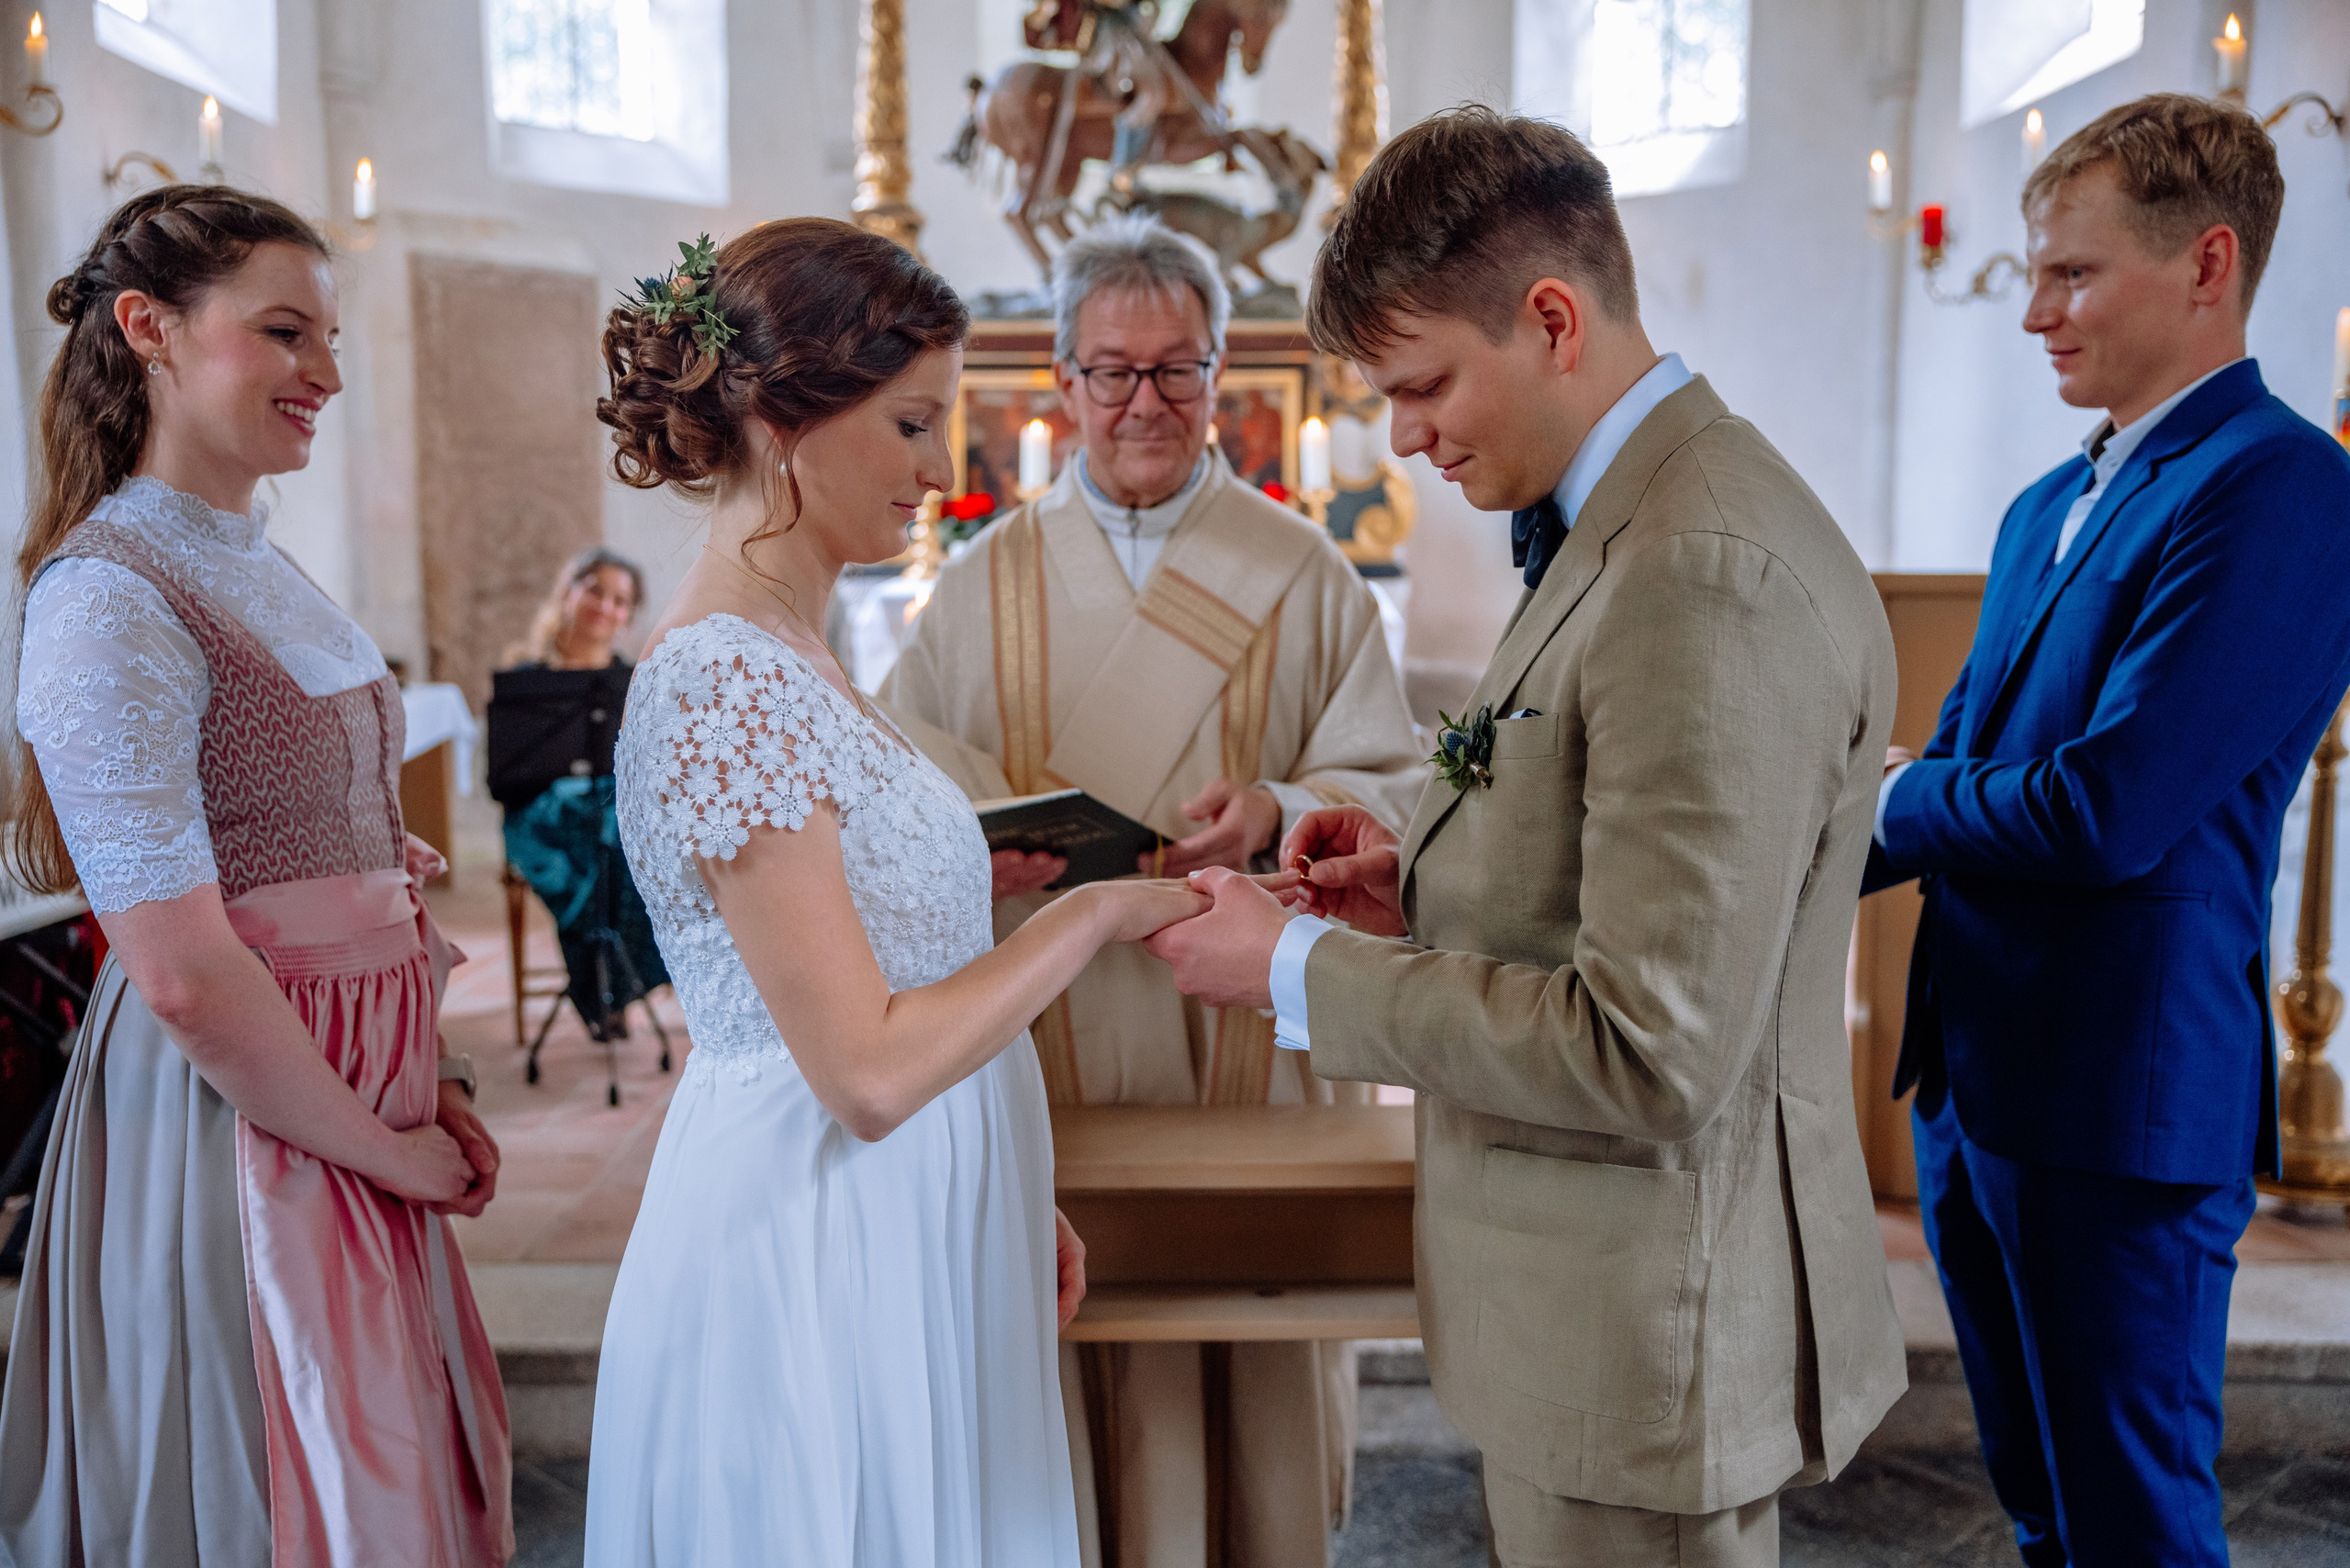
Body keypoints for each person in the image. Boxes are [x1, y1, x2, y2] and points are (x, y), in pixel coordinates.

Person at [1146, 107, 1907, 1566]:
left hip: (1646, 1342)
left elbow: (1651, 1050)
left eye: (1424, 384)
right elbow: (1603, 847)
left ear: (1553, 320)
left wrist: (1296, 970)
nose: (1404, 435)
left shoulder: (1703, 568)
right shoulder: (1630, 517)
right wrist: (1425, 884)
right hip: (1590, 1320)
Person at [580, 218, 1208, 1566]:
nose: (940, 469)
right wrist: (1090, 914)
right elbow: (862, 1071)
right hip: (814, 1243)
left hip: (914, 1211)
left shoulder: (793, 647)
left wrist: (1001, 1183)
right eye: (913, 424)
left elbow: (885, 968)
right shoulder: (723, 676)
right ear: (781, 417)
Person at [880, 214, 1424, 1568]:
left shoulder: (1302, 571)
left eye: (1177, 370)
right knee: (1068, 1334)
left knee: (1239, 1334)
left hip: (1245, 1045)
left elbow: (1393, 778)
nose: (1144, 402)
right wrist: (977, 845)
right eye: (1113, 372)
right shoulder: (980, 583)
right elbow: (893, 782)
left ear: (1219, 375)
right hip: (1051, 1034)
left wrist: (1281, 806)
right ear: (1062, 383)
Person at [1863, 95, 2350, 1566]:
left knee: (2136, 1532)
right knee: (2037, 1510)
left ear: (2208, 264)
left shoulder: (2285, 487)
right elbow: (1956, 767)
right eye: (2035, 274)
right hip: (1975, 1087)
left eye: (2071, 275)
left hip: (2120, 1109)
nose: (2035, 315)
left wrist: (1890, 794)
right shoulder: (2042, 508)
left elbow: (2107, 810)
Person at [0, 185, 511, 1565]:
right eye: (286, 332)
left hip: (352, 1085)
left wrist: (432, 1080)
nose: (325, 374)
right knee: (275, 1480)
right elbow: (178, 971)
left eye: (330, 338)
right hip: (242, 1114)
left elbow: (326, 835)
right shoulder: (107, 594)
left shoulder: (254, 559)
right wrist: (377, 1147)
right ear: (149, 327)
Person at [498, 548, 670, 1033]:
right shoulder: (524, 679)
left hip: (612, 816)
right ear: (568, 593)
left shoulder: (633, 681)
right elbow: (505, 780)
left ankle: (606, 985)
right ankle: (609, 987)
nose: (605, 606)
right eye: (595, 591)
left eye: (619, 600)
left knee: (624, 839)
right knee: (605, 845)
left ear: (628, 616)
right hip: (541, 818)